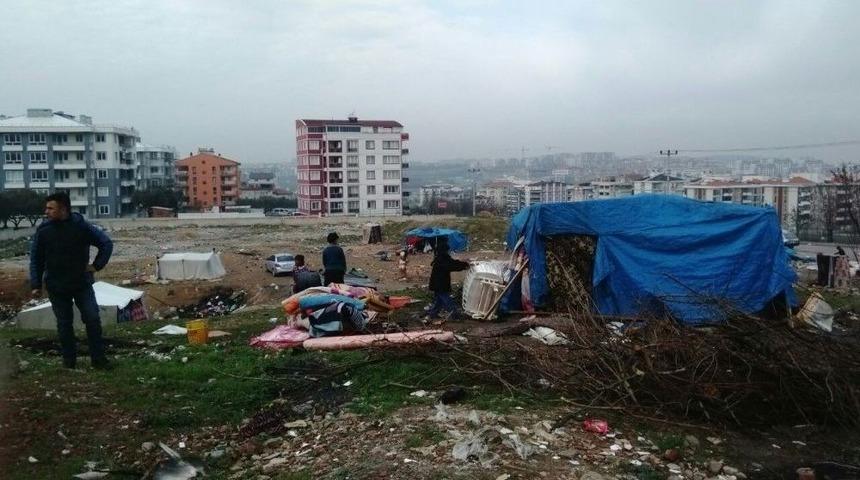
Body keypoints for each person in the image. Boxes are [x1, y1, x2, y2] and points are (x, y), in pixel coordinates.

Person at [29, 192, 114, 369]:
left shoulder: (81, 227)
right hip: (56, 286)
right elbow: (36, 258)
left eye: (50, 208)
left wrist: (96, 266)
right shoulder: (44, 231)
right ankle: (69, 362)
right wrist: (36, 284)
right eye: (46, 208)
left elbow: (106, 243)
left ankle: (98, 359)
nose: (46, 212)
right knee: (64, 324)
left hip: (81, 284)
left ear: (63, 209)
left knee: (92, 318)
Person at [426, 241, 470, 319]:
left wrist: (463, 264)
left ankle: (433, 313)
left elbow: (452, 263)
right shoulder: (442, 259)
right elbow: (451, 266)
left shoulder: (441, 257)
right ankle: (455, 314)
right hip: (440, 283)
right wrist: (464, 266)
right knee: (446, 299)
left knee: (439, 300)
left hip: (438, 283)